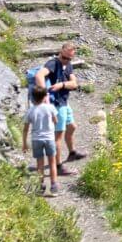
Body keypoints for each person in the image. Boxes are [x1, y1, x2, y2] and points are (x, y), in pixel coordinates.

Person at [35, 42, 87, 172]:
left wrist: (62, 85)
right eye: (64, 58)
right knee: (58, 136)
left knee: (72, 127)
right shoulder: (52, 63)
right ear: (60, 52)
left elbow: (74, 84)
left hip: (64, 102)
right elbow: (39, 75)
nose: (66, 61)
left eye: (69, 58)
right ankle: (58, 166)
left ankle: (72, 153)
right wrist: (44, 94)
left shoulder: (68, 65)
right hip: (56, 104)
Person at [22, 86, 59, 196]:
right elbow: (56, 121)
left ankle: (41, 185)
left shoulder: (30, 111)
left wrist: (24, 143)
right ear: (44, 96)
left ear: (33, 97)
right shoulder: (50, 108)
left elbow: (25, 129)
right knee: (52, 162)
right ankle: (53, 186)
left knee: (40, 163)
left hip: (36, 139)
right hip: (49, 138)